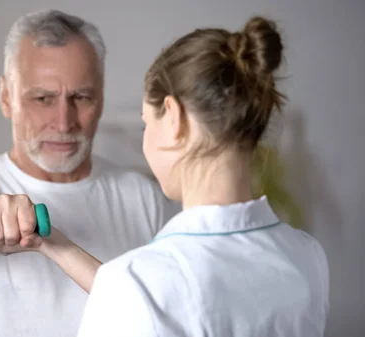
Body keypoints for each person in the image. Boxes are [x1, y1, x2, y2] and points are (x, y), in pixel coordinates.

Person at [32, 16, 330, 336]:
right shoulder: (307, 255)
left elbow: (146, 295)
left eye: (148, 123)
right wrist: (59, 247)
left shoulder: (135, 284)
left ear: (174, 118)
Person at [0, 9, 176, 337]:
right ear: (6, 97)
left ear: (101, 97)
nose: (64, 122)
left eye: (81, 97)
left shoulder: (145, 197)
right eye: (43, 99)